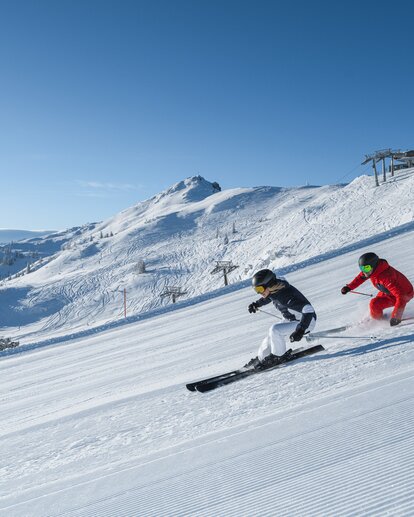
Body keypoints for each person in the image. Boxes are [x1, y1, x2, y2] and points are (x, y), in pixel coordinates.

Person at [246, 269, 317, 369]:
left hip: (306, 322)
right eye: (256, 290)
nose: (259, 293)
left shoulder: (285, 295)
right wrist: (256, 304)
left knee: (275, 330)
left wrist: (300, 330)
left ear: (269, 285)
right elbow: (269, 297)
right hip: (290, 319)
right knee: (269, 340)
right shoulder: (274, 289)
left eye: (260, 289)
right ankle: (262, 358)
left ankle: (278, 357)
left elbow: (308, 309)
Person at [341, 252, 413, 326]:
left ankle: (376, 322)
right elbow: (360, 277)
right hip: (388, 291)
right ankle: (375, 318)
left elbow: (401, 297)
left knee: (375, 304)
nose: (364, 271)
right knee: (374, 305)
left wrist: (396, 316)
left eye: (366, 268)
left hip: (404, 294)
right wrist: (349, 287)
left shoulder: (387, 277)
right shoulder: (372, 271)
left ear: (374, 265)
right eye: (362, 268)